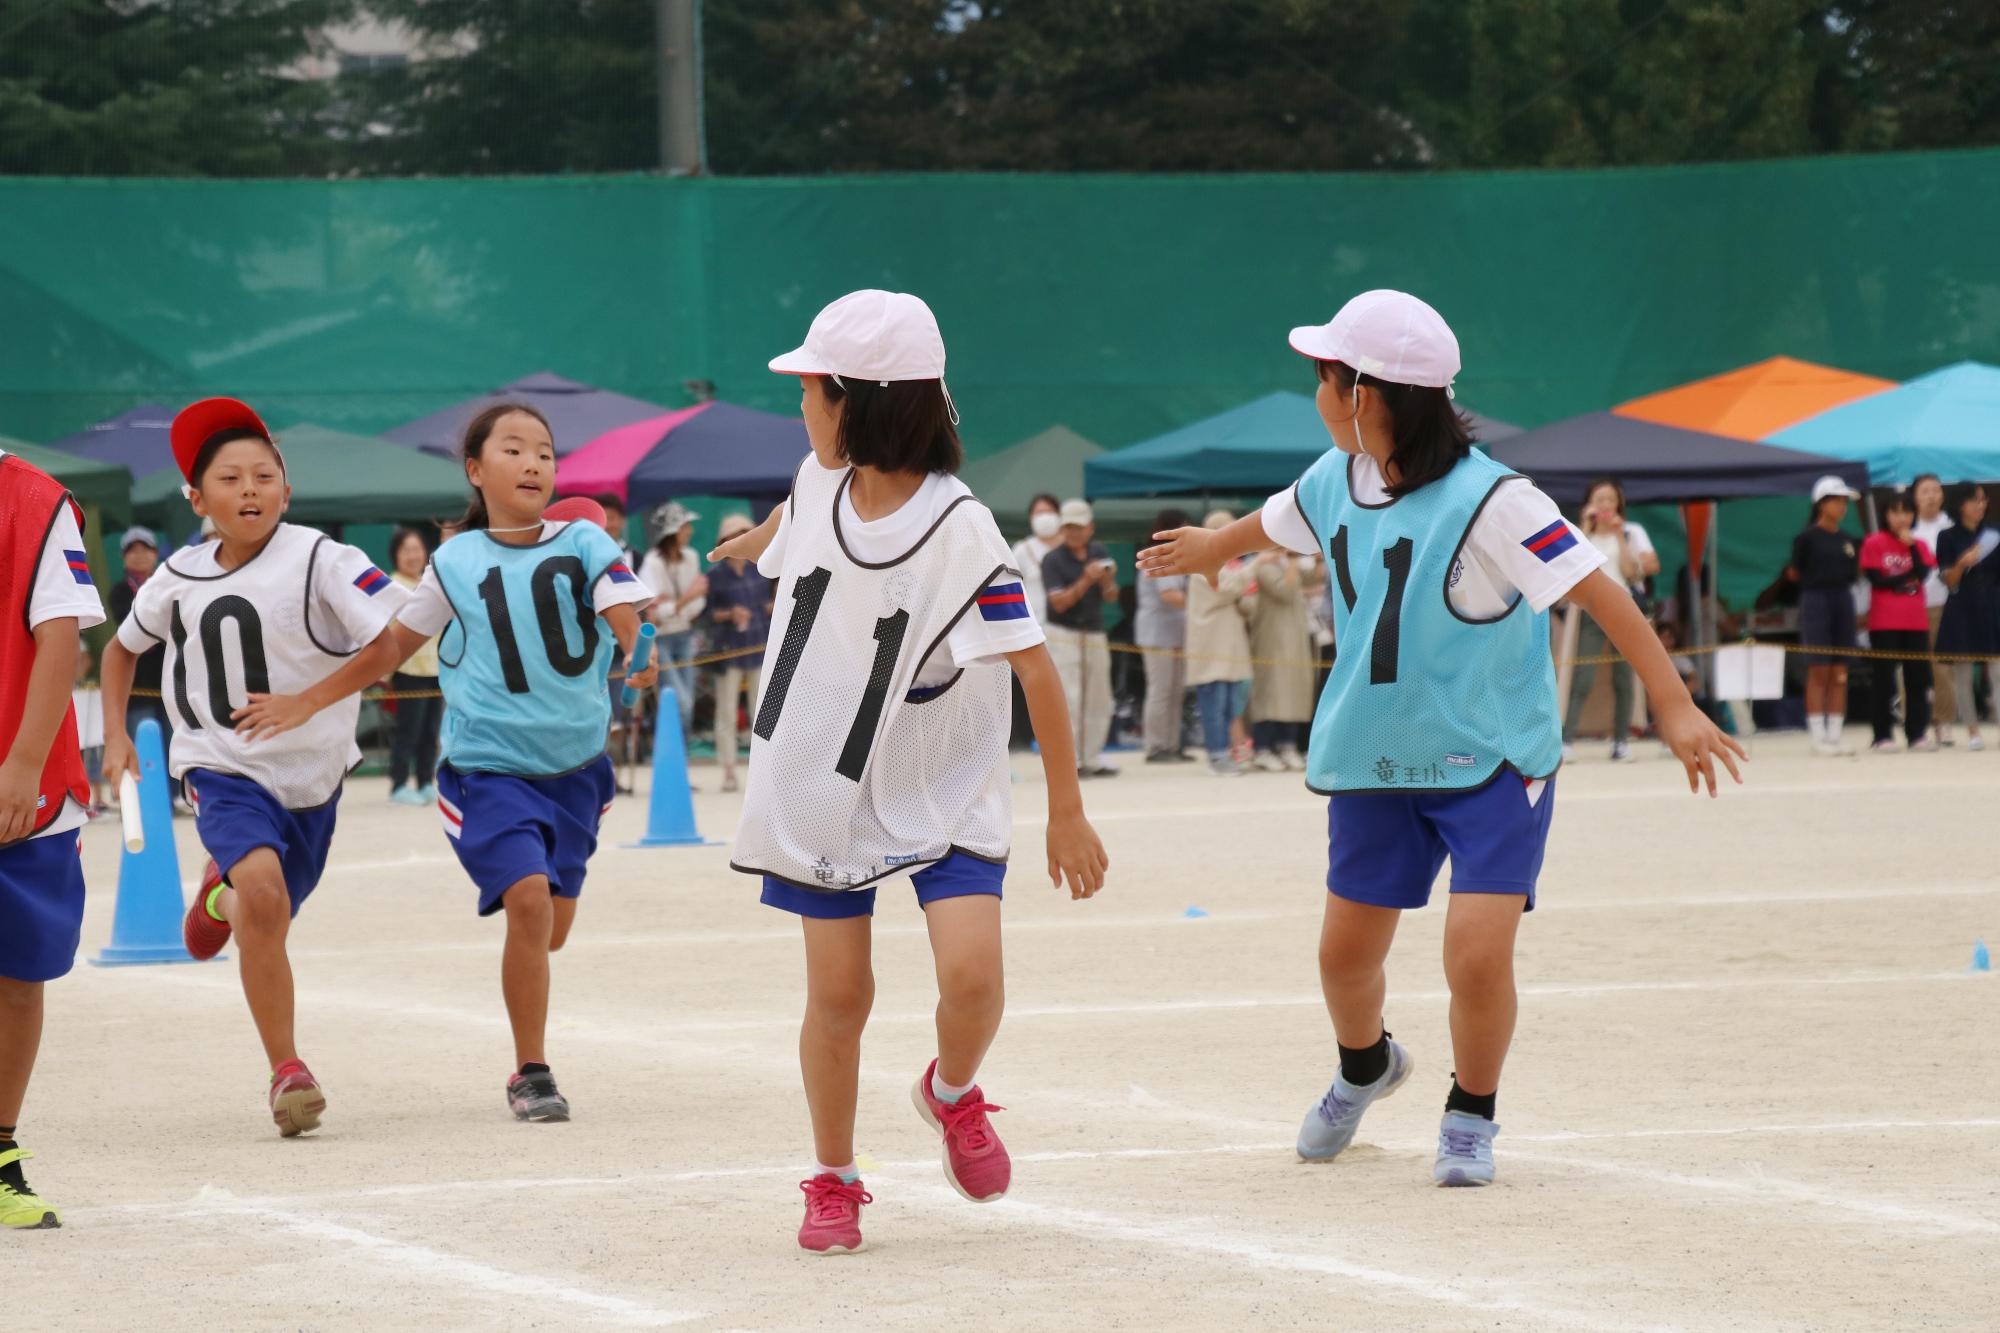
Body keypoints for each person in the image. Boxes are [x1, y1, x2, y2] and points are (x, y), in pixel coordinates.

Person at [1140, 289, 1742, 1189]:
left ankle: (1471, 1112)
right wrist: (1209, 546)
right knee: (1343, 957)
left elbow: (1597, 588)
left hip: (1493, 760)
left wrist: (1673, 700)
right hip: (1376, 756)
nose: (1316, 394)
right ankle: (1365, 1067)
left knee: (1475, 951)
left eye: (1323, 378)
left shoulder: (1495, 498)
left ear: (1365, 393)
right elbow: (1275, 521)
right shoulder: (1332, 478)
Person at [709, 289, 1107, 1255]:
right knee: (839, 996)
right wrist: (755, 544)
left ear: (859, 400)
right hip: (826, 777)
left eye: (810, 389)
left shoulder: (961, 528)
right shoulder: (817, 481)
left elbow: (1035, 668)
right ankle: (834, 1177)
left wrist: (1066, 809)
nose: (801, 408)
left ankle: (953, 1092)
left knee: (973, 977)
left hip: (944, 772)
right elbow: (793, 509)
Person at [235, 403, 657, 1123]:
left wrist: (632, 647)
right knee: (527, 900)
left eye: (546, 453)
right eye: (515, 449)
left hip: (577, 772)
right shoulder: (454, 560)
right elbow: (389, 649)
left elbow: (627, 613)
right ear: (476, 469)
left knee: (551, 927)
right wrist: (307, 700)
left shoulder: (586, 539)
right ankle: (531, 1071)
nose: (533, 463)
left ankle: (534, 999)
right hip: (488, 769)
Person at [101, 398, 409, 1138]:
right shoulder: (176, 572)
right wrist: (114, 737)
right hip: (219, 762)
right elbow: (119, 650)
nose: (250, 490)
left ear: (288, 490)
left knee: (264, 911)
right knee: (266, 896)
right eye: (230, 478)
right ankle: (288, 1070)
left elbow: (396, 638)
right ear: (196, 497)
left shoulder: (325, 559)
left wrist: (308, 701)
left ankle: (219, 898)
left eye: (264, 476)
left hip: (313, 774)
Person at [0, 443, 103, 1229]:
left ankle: (0, 1153)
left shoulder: (35, 497)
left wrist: (24, 759)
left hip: (19, 781)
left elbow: (61, 631)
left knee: (17, 973)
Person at [1561, 478, 1657, 762]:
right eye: (1599, 499)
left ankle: (1620, 741)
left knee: (1624, 678)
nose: (1604, 505)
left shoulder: (1630, 532)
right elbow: (1569, 567)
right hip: (1589, 612)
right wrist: (1586, 528)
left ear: (1618, 504)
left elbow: (1632, 573)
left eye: (1609, 499)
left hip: (1624, 608)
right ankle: (1566, 740)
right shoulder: (1580, 533)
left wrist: (1617, 535)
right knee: (1582, 675)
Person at [1042, 500, 1119, 778]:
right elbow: (1059, 603)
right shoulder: (1053, 560)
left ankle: (1093, 755)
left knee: (1099, 696)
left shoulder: (1099, 552)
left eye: (1079, 527)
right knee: (1068, 697)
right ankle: (1070, 760)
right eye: (1069, 527)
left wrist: (1106, 580)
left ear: (1090, 528)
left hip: (1095, 632)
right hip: (1064, 634)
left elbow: (1112, 597)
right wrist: (1087, 579)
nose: (1074, 532)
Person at [1787, 476, 1863, 756]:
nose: (1843, 506)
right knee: (1819, 668)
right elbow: (1794, 572)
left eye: (1845, 501)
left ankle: (1835, 734)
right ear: (1821, 503)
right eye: (1837, 500)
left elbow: (1852, 573)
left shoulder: (1847, 539)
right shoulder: (1806, 537)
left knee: (1840, 670)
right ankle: (1818, 735)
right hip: (1816, 599)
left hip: (1843, 598)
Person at [1860, 492, 1937, 752]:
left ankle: (1917, 733)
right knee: (1884, 679)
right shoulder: (1874, 542)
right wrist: (1904, 580)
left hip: (1916, 621)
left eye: (1906, 511)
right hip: (1884, 622)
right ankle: (1882, 734)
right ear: (1885, 515)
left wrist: (1912, 546)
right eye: (1895, 512)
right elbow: (1876, 579)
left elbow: (1923, 573)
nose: (1902, 517)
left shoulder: (1920, 544)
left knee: (1918, 679)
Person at [703, 512, 773, 793]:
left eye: (744, 532)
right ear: (724, 539)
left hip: (759, 642)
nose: (740, 538)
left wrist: (771, 605)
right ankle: (729, 769)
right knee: (727, 713)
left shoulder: (761, 566)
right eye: (735, 534)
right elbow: (707, 614)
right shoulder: (716, 575)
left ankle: (762, 770)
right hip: (728, 648)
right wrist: (730, 614)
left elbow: (768, 601)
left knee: (762, 711)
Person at [1184, 511, 1255, 775]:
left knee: (1227, 706)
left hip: (1227, 646)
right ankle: (1215, 755)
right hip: (1211, 647)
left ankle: (1224, 752)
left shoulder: (1228, 565)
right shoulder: (1203, 562)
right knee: (1213, 704)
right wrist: (1257, 564)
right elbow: (1228, 588)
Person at [1934, 483, 1999, 751]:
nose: (1981, 505)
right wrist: (1963, 563)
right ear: (1961, 504)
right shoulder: (1947, 537)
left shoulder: (1994, 533)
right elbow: (1947, 580)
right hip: (1961, 607)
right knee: (1962, 672)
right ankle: (1972, 730)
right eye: (1975, 500)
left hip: (1993, 605)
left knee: (1997, 670)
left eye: (1983, 500)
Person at [639, 501, 707, 746]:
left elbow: (699, 602)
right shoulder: (653, 562)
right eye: (684, 526)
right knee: (679, 699)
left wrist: (675, 606)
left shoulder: (691, 557)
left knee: (686, 699)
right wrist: (684, 600)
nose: (689, 531)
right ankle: (672, 754)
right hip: (661, 639)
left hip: (685, 634)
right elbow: (653, 611)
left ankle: (681, 759)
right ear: (671, 532)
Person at [384, 526, 443, 805]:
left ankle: (424, 782)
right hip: (408, 670)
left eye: (417, 549)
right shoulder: (389, 585)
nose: (412, 556)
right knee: (408, 730)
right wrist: (383, 672)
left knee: (431, 732)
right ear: (395, 555)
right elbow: (383, 629)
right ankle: (398, 785)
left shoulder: (430, 583)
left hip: (436, 670)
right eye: (406, 550)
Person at [1247, 548, 1316, 771]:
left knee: (1294, 691)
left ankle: (1288, 746)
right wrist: (1294, 561)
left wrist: (1319, 560)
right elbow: (1285, 591)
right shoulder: (1265, 566)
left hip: (1295, 639)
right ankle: (1263, 748)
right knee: (1272, 693)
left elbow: (1314, 579)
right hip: (1273, 640)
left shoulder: (1285, 565)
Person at [1135, 507, 1191, 762]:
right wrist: (1200, 605)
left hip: (1177, 633)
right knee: (1161, 690)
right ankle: (1156, 745)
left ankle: (1172, 744)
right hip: (1157, 633)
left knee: (1177, 690)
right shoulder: (1158, 557)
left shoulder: (1177, 558)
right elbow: (1169, 595)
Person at [1910, 474, 1955, 742]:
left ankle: (1944, 720)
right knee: (1911, 666)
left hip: (1942, 603)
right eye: (1925, 491)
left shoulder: (1949, 526)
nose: (1931, 496)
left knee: (1942, 666)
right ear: (1915, 496)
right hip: (1912, 605)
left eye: (1935, 490)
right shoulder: (1908, 529)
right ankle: (1913, 723)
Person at [1010, 494, 1063, 623]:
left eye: (1049, 511)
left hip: (1068, 627)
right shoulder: (1022, 549)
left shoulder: (1071, 547)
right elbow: (1012, 587)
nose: (1044, 517)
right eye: (1039, 512)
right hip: (1035, 624)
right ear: (1031, 518)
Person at [71, 648, 106, 817]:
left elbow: (85, 660)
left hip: (87, 702)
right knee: (80, 755)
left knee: (92, 753)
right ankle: (84, 800)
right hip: (77, 703)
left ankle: (95, 799)